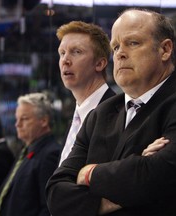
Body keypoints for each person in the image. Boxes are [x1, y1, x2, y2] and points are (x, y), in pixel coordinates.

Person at [46, 8, 176, 216]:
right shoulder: (101, 114)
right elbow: (56, 194)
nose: (120, 53)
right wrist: (133, 172)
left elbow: (152, 178)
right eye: (115, 47)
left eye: (133, 43)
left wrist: (88, 173)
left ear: (165, 49)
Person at [56, 21, 115, 166]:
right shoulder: (76, 118)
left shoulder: (118, 114)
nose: (65, 60)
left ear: (100, 64)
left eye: (76, 52)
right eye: (62, 53)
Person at [0, 92, 61, 216]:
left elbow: (48, 207)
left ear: (43, 121)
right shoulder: (26, 150)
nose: (17, 124)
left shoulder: (49, 154)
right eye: (17, 119)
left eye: (24, 119)